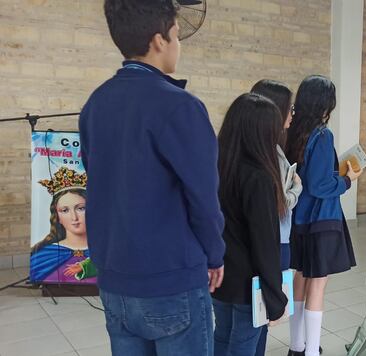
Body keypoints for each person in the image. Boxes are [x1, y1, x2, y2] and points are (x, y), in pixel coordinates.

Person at [79, 1, 225, 354]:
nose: (178, 44)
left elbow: (99, 181)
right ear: (160, 40)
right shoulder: (180, 106)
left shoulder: (95, 104)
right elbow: (203, 196)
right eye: (177, 35)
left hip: (115, 278)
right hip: (171, 278)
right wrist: (215, 254)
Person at [285, 75, 360, 356]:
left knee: (301, 277)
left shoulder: (291, 131)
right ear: (327, 103)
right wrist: (347, 179)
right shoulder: (322, 134)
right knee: (318, 282)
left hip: (298, 217)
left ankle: (297, 346)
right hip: (321, 220)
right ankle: (312, 352)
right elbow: (320, 185)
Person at [212, 94, 288, 356]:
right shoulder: (258, 177)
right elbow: (264, 244)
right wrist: (275, 297)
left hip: (218, 273)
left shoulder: (216, 167)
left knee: (221, 336)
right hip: (248, 283)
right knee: (243, 345)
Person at [250, 79, 302, 355]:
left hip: (275, 240)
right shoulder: (267, 153)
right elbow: (278, 204)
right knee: (260, 315)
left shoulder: (269, 147)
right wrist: (296, 189)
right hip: (274, 241)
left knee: (260, 317)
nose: (293, 115)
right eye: (290, 108)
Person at [30, 167, 95, 283]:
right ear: (57, 217)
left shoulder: (105, 250)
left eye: (81, 208)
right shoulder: (43, 255)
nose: (74, 217)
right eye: (64, 210)